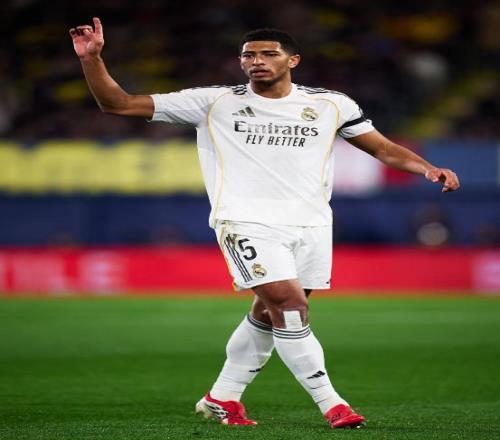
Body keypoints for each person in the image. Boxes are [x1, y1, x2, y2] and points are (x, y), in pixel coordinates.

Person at [69, 18, 460, 429]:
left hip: (311, 224)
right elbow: (118, 103)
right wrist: (92, 59)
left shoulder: (332, 104)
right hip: (245, 220)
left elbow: (382, 148)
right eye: (248, 55)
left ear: (293, 60)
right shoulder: (213, 102)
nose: (257, 61)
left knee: (269, 312)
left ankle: (222, 397)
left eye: (269, 54)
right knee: (291, 308)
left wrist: (427, 168)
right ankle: (333, 405)